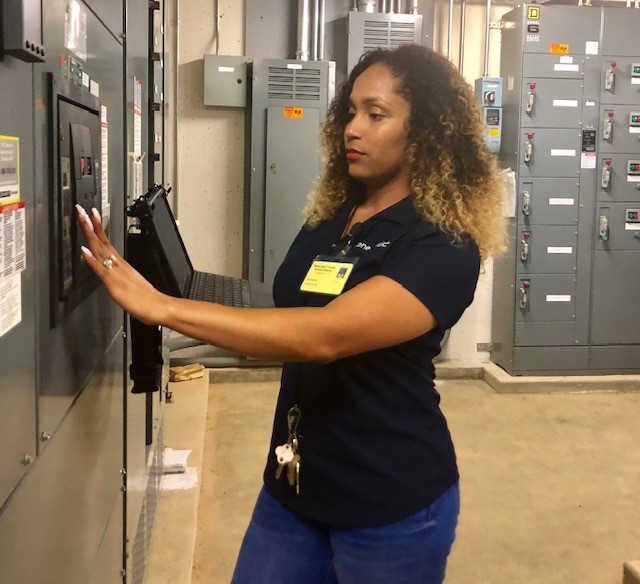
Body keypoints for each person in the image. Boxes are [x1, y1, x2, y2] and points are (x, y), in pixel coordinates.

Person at [77, 44, 504, 583]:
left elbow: (326, 334)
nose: (352, 128)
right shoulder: (337, 214)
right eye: (349, 111)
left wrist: (163, 306)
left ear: (427, 133)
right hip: (294, 485)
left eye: (376, 114)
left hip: (388, 501)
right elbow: (290, 303)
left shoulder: (444, 244)